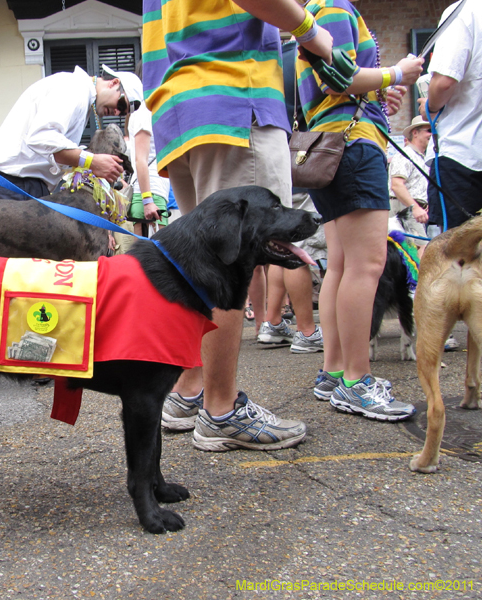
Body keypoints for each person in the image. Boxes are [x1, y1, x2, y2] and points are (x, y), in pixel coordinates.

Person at [144, 0, 333, 451]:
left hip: (181, 108)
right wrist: (310, 31)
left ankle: (189, 392)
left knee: (199, 268)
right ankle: (221, 410)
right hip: (233, 98)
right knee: (228, 268)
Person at [298, 0, 422, 421]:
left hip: (335, 144)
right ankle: (356, 380)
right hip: (354, 144)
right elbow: (339, 79)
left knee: (343, 264)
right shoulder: (333, 6)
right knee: (366, 265)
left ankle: (336, 372)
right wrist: (397, 73)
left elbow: (338, 82)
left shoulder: (320, 7)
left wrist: (379, 92)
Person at [0, 64, 142, 201]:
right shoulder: (75, 87)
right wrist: (91, 161)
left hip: (22, 186)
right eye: (121, 105)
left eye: (122, 113)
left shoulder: (81, 95)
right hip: (14, 184)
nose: (116, 112)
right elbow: (41, 137)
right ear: (114, 82)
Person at [257, 38, 324, 354]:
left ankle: (272, 321)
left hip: (269, 154)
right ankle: (307, 330)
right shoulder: (300, 49)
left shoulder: (271, 53)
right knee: (297, 247)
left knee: (279, 248)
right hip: (300, 157)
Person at [419, 0, 482, 231]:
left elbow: (444, 82)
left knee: (455, 255)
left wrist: (430, 107)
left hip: (463, 153)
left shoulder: (465, 12)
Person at [389, 115, 432, 255]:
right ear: (415, 132)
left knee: (414, 250)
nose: (432, 134)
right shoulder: (405, 155)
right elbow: (397, 185)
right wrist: (415, 208)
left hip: (411, 209)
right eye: (428, 130)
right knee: (421, 248)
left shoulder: (420, 157)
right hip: (404, 209)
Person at [127, 100, 169, 237]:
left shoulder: (148, 112)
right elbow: (141, 160)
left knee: (151, 254)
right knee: (156, 254)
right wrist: (148, 201)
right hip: (150, 193)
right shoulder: (145, 113)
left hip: (153, 192)